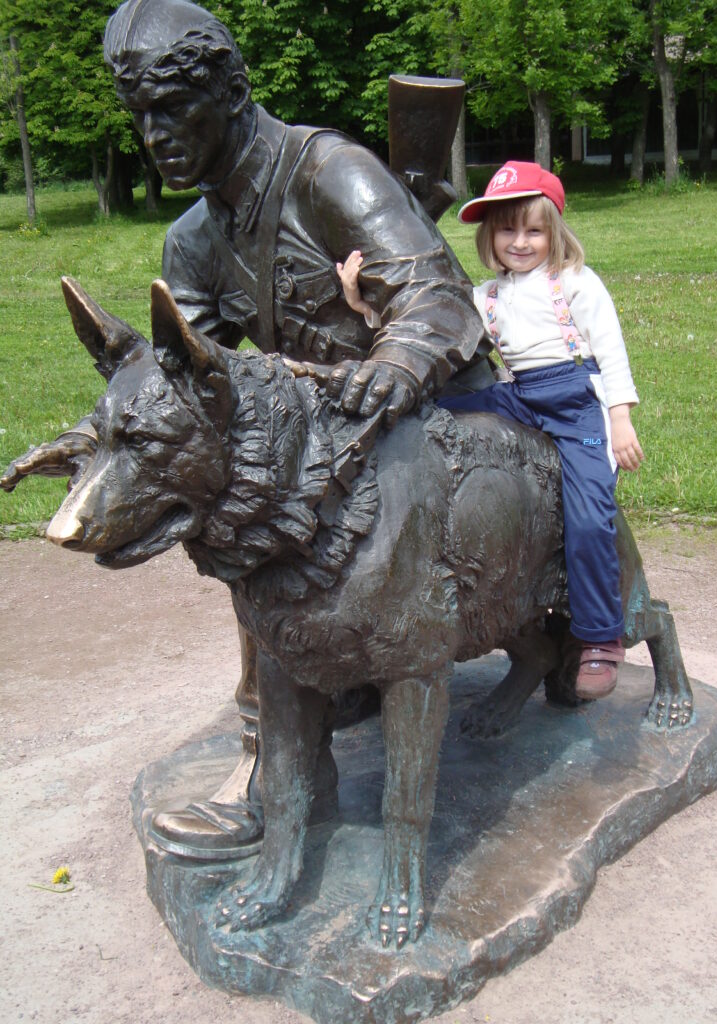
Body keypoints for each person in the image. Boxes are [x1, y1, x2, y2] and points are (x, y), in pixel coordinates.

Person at [1, 0, 493, 860]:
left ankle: (320, 720)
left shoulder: (332, 174)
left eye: (172, 107)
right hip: (318, 441)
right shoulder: (191, 241)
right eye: (140, 115)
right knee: (235, 510)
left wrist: (387, 370)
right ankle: (276, 753)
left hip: (423, 414)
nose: (154, 134)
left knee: (283, 528)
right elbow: (174, 385)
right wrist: (98, 439)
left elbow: (439, 300)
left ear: (230, 91)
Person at [337, 160, 644, 700]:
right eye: (507, 229)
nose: (520, 242)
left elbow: (612, 350)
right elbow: (436, 325)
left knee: (590, 512)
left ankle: (600, 637)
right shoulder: (488, 298)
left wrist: (619, 417)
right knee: (440, 411)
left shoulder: (574, 283)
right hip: (521, 395)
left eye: (533, 229)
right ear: (489, 236)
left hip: (575, 400)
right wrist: (363, 305)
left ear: (555, 231)